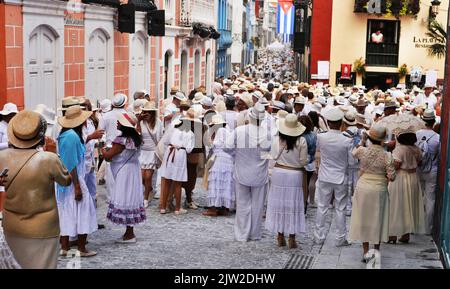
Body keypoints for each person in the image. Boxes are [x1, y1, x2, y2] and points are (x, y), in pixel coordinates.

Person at [0, 110, 71, 268]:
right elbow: (66, 181)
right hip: (43, 227)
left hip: (12, 225)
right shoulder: (48, 159)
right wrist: (54, 153)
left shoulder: (2, 157)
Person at [349, 125, 396, 263]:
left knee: (364, 218)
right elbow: (392, 177)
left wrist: (363, 140)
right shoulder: (387, 155)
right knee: (377, 220)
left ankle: (365, 252)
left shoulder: (363, 151)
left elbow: (353, 152)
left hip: (363, 187)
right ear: (383, 140)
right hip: (379, 189)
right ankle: (375, 252)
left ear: (370, 138)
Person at [227, 103, 272, 242]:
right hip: (259, 174)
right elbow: (270, 153)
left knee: (242, 204)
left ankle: (242, 234)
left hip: (242, 171)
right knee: (258, 205)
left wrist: (238, 153)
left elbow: (227, 147)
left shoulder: (239, 131)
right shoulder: (268, 134)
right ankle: (255, 233)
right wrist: (260, 157)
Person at [57, 105, 98, 257]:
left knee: (67, 212)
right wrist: (77, 186)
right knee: (82, 211)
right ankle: (81, 248)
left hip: (67, 181)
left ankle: (65, 247)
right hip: (73, 180)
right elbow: (71, 164)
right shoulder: (72, 137)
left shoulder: (66, 134)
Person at [101, 112, 146, 243]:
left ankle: (129, 234)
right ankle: (129, 231)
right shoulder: (137, 138)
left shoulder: (121, 140)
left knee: (124, 197)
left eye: (119, 121)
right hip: (133, 170)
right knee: (130, 198)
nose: (117, 122)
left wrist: (103, 150)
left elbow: (108, 156)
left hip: (124, 172)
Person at [266, 114, 308, 248]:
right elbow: (303, 162)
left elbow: (272, 156)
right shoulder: (301, 141)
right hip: (295, 174)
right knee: (293, 205)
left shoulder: (277, 140)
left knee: (280, 204)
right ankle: (292, 238)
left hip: (279, 173)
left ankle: (280, 235)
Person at [314, 107, 353, 246]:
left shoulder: (321, 136)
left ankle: (319, 237)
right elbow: (352, 161)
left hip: (324, 176)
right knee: (340, 209)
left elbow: (317, 152)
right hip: (340, 177)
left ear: (329, 123)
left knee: (322, 207)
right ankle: (340, 238)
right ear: (341, 122)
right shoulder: (347, 140)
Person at [388, 130, 426, 243]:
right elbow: (420, 162)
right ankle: (405, 235)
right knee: (409, 205)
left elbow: (397, 165)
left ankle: (392, 235)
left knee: (396, 205)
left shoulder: (399, 149)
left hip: (401, 177)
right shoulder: (416, 149)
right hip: (413, 177)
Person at [159, 109, 196, 215]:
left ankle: (163, 207)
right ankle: (177, 208)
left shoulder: (175, 129)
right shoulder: (190, 133)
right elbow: (189, 149)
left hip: (169, 153)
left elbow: (166, 141)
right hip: (180, 154)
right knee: (178, 182)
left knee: (167, 180)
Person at [203, 115, 235, 217]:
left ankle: (213, 209)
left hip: (220, 159)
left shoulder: (220, 131)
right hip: (228, 159)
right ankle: (223, 208)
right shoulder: (227, 131)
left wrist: (211, 141)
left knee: (216, 181)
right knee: (225, 183)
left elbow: (216, 145)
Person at [416, 109, 440, 235]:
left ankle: (416, 225)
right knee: (430, 199)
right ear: (433, 121)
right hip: (432, 170)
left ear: (424, 120)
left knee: (418, 197)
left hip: (418, 169)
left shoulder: (417, 134)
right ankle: (427, 228)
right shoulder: (438, 138)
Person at [137, 101, 163, 208]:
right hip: (142, 151)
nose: (146, 114)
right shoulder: (141, 122)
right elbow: (136, 134)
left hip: (152, 152)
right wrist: (138, 121)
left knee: (148, 177)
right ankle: (150, 189)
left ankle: (145, 198)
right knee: (141, 178)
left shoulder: (158, 122)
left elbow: (160, 137)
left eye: (149, 112)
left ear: (152, 113)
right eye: (145, 112)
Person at [0, 102, 18, 217]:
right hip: (2, 161)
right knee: (2, 185)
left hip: (11, 160)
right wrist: (9, 144)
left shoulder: (13, 126)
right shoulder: (0, 127)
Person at [298, 115, 317, 212]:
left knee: (299, 187)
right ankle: (304, 204)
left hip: (299, 163)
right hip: (310, 164)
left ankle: (299, 205)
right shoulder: (313, 135)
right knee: (307, 186)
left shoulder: (299, 136)